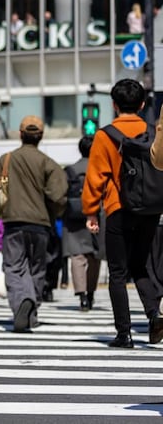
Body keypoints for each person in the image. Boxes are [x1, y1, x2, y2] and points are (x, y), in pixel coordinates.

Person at [83, 79, 163, 348]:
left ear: (114, 105)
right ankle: (154, 315)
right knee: (141, 266)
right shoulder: (153, 133)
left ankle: (124, 334)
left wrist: (91, 212)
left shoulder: (106, 135)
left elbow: (96, 177)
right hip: (150, 209)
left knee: (118, 272)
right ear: (142, 104)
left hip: (118, 207)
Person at [0, 115, 67, 333]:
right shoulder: (47, 163)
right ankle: (32, 308)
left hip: (13, 222)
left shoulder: (7, 159)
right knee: (37, 268)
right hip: (40, 224)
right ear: (41, 136)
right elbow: (58, 195)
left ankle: (22, 301)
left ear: (21, 134)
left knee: (14, 267)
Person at [63, 136, 100, 313]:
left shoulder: (70, 170)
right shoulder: (100, 169)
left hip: (74, 217)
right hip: (97, 215)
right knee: (94, 257)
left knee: (77, 257)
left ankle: (82, 297)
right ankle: (91, 293)